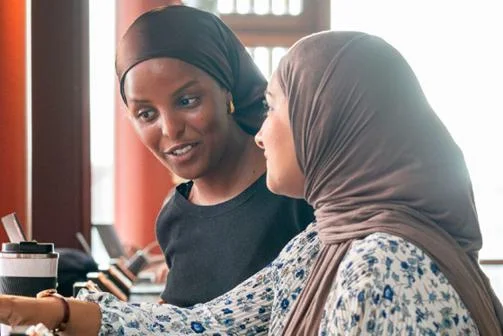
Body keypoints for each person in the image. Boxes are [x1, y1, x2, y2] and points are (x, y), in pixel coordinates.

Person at [2, 30, 503, 335]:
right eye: (145, 112)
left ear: (326, 124)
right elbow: (209, 325)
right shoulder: (325, 242)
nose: (261, 133)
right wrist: (56, 312)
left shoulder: (382, 264)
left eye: (276, 109)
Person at [115, 5, 313, 307]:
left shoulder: (297, 193)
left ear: (227, 91)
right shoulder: (173, 219)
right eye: (146, 114)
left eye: (187, 100)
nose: (170, 129)